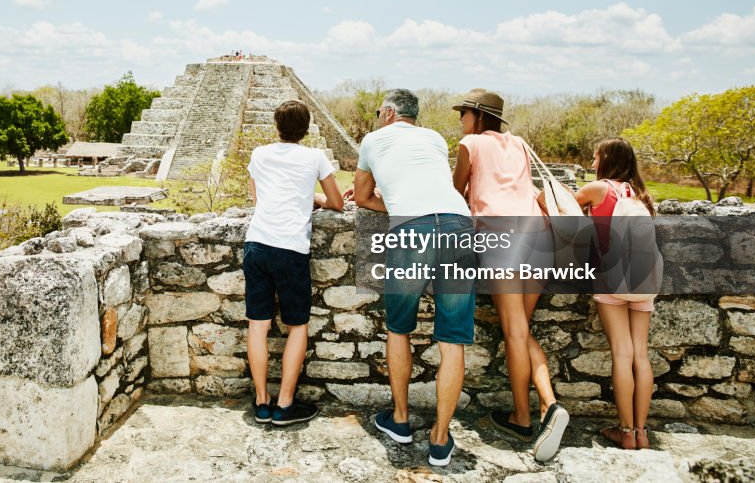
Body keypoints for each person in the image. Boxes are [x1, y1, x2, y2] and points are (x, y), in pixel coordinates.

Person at [346, 88, 476, 467]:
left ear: (388, 113)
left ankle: (400, 420)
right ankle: (439, 439)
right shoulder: (435, 138)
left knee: (398, 328)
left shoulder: (373, 140)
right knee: (453, 339)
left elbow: (365, 196)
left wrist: (397, 202)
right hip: (457, 224)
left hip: (411, 230)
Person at [451, 88, 569, 462]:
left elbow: (455, 191)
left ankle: (530, 414)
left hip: (502, 238)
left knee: (515, 331)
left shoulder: (469, 143)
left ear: (478, 116)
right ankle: (546, 407)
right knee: (522, 331)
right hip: (539, 235)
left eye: (464, 113)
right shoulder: (518, 143)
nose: (461, 120)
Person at [244, 100, 343, 427]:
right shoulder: (315, 157)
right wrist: (313, 198)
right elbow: (337, 203)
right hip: (290, 249)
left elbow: (257, 200)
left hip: (257, 244)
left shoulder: (259, 154)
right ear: (307, 128)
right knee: (296, 326)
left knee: (258, 325)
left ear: (277, 126)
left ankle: (261, 401)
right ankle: (285, 403)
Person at [570, 138, 655, 450]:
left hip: (610, 278)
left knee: (622, 353)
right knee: (641, 355)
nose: (592, 164)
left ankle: (626, 431)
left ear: (606, 159)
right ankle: (642, 432)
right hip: (643, 279)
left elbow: (557, 204)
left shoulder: (599, 189)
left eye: (595, 157)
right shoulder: (642, 195)